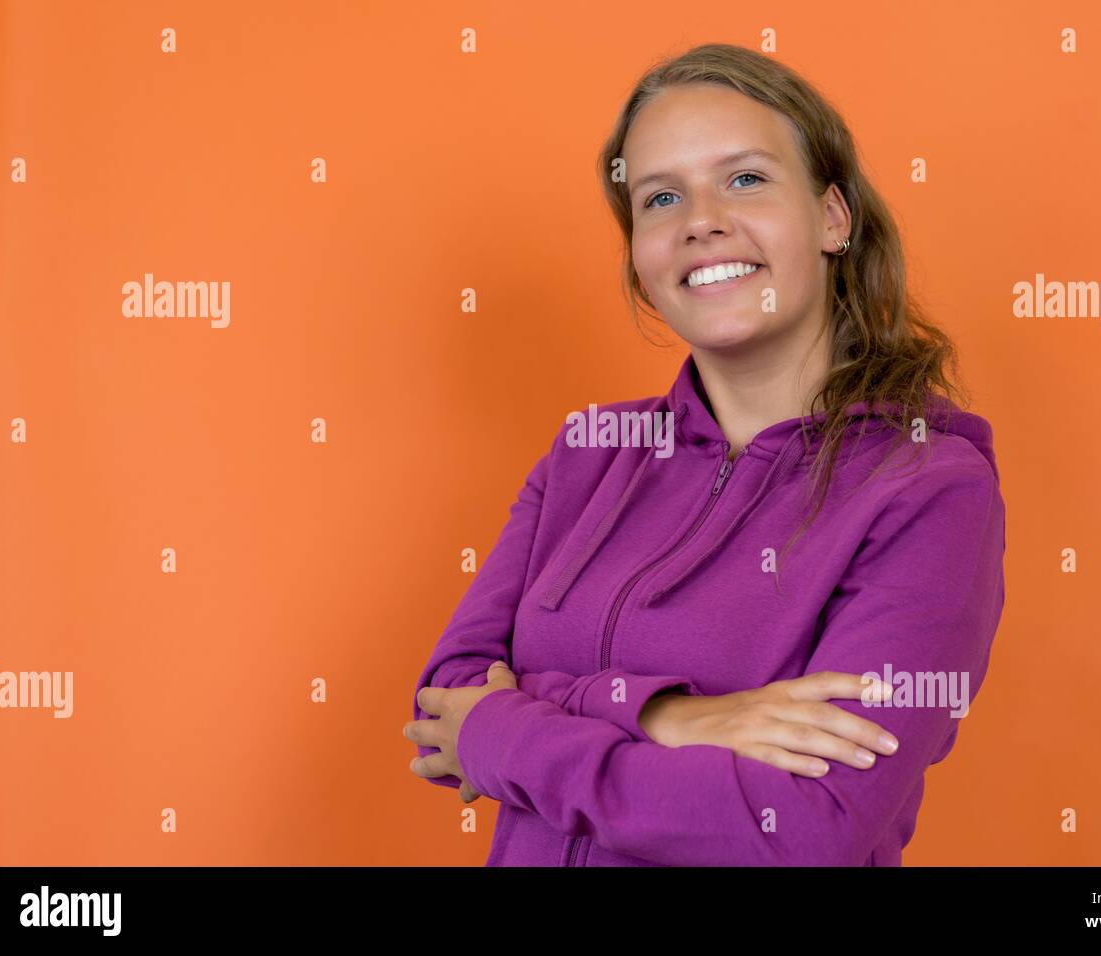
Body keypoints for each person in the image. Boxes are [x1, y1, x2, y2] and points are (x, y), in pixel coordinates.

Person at [406, 43, 1006, 867]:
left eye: (746, 179)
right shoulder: (589, 451)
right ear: (641, 263)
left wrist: (514, 728)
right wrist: (669, 717)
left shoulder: (930, 489)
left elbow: (804, 825)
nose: (700, 220)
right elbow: (446, 705)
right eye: (660, 197)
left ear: (834, 218)